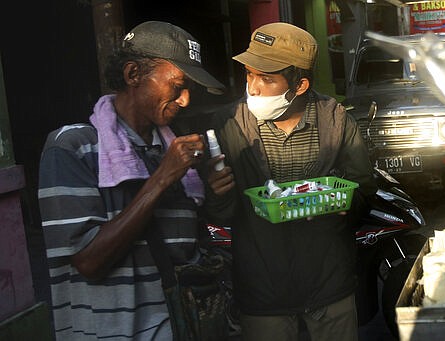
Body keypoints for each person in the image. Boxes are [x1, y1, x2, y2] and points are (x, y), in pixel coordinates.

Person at [38, 21, 225, 340]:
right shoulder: (73, 148)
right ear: (133, 75)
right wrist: (162, 178)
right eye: (177, 86)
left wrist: (215, 195)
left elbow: (186, 249)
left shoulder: (173, 151)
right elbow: (89, 261)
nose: (185, 101)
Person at [205, 22, 377, 340]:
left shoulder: (336, 120)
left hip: (330, 286)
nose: (252, 88)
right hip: (263, 292)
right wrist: (216, 194)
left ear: (299, 85)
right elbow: (220, 214)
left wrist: (346, 207)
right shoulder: (228, 124)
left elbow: (364, 189)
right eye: (249, 74)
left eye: (266, 78)